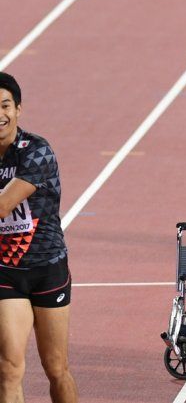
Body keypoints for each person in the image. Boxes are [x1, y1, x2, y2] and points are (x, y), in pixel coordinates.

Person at [0, 72, 77, 402]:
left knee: (56, 368)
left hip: (47, 268)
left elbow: (4, 204)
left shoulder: (37, 152)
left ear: (18, 109)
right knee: (8, 368)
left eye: (4, 105)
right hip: (5, 272)